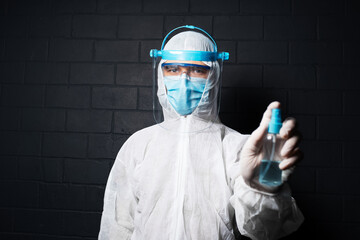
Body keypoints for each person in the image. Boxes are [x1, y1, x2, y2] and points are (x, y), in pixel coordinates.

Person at [99, 25, 304, 240]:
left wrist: (264, 188)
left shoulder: (236, 147)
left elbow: (263, 230)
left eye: (197, 70)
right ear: (161, 74)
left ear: (213, 75)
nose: (184, 80)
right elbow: (117, 226)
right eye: (173, 69)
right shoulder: (138, 145)